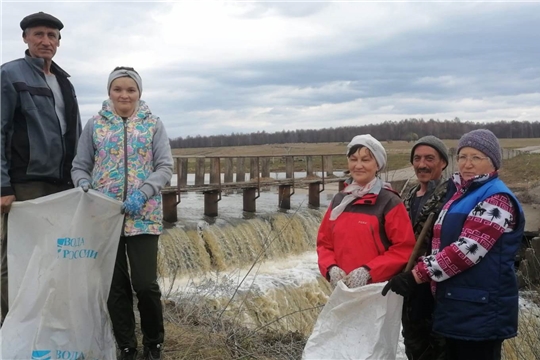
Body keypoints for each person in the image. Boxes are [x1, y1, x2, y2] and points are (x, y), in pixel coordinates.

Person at [383, 129, 525, 360]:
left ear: (493, 163)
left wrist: (417, 275)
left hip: (482, 310)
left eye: (476, 157)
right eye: (462, 157)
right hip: (458, 306)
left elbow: (466, 251)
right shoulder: (462, 195)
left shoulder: (496, 198)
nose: (467, 164)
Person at [71, 66, 173, 360]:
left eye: (131, 89)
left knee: (145, 284)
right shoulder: (95, 125)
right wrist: (83, 182)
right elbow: (80, 164)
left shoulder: (153, 124)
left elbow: (164, 166)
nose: (124, 95)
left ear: (139, 93)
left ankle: (153, 343)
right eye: (118, 89)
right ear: (109, 92)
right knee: (115, 287)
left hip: (144, 214)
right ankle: (126, 345)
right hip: (105, 217)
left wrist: (143, 192)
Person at [1, 11, 81, 323]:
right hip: (25, 182)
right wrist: (3, 185)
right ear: (25, 38)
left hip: (62, 182)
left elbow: (71, 129)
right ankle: (11, 325)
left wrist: (78, 177)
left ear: (59, 42)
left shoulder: (64, 81)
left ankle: (43, 319)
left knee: (52, 253)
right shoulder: (10, 74)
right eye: (39, 35)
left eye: (52, 36)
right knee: (16, 255)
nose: (45, 41)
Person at [317, 134, 415, 289]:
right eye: (353, 159)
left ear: (377, 165)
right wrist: (330, 268)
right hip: (342, 289)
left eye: (365, 159)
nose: (358, 165)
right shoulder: (339, 200)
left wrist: (368, 272)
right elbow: (324, 243)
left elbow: (403, 248)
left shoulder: (389, 201)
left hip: (378, 290)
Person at [401, 135, 450, 360]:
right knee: (415, 348)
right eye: (417, 158)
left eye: (430, 158)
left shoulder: (452, 197)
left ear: (443, 163)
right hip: (410, 291)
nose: (422, 164)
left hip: (440, 290)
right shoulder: (408, 197)